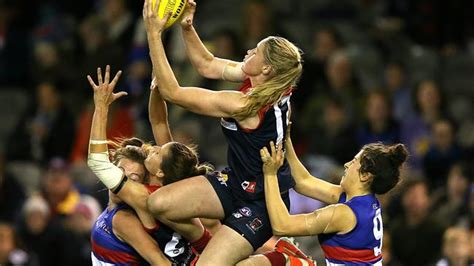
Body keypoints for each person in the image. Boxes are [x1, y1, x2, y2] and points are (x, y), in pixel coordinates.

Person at [143, 0, 303, 264]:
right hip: (236, 181)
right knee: (158, 205)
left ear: (266, 69)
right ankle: (205, 242)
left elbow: (173, 93)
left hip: (262, 202)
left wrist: (153, 33)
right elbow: (207, 64)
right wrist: (187, 27)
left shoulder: (244, 105)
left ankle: (284, 260)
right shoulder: (269, 83)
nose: (249, 50)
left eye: (256, 51)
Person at [86, 66, 212, 265]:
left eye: (132, 179)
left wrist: (101, 107)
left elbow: (98, 162)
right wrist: (156, 86)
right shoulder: (171, 179)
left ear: (153, 175)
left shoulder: (142, 199)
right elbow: (160, 122)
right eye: (119, 172)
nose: (121, 180)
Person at [250, 132, 408, 265]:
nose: (346, 165)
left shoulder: (343, 214)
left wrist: (269, 174)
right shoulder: (364, 201)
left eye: (354, 162)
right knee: (278, 258)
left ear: (365, 175)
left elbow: (282, 226)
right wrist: (286, 138)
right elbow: (304, 182)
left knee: (269, 260)